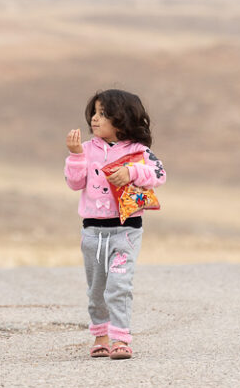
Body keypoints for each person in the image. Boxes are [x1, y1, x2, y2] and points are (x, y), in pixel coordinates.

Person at [64, 89, 166, 360]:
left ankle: (120, 339)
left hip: (126, 229)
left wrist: (131, 172)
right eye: (94, 113)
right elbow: (74, 183)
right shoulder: (86, 150)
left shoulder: (138, 150)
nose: (95, 119)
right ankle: (100, 335)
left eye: (103, 114)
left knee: (119, 285)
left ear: (122, 118)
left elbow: (159, 174)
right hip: (93, 231)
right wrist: (75, 156)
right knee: (97, 287)